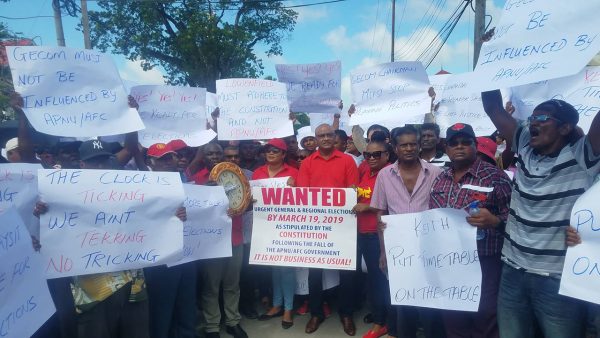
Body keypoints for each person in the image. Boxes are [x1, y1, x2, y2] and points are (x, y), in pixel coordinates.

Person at [482, 90, 600, 338]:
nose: (533, 122)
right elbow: (493, 107)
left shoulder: (583, 155)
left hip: (555, 278)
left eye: (544, 117)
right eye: (532, 117)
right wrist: (491, 63)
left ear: (566, 128)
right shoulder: (524, 145)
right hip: (512, 271)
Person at [429, 123, 512, 338]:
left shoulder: (496, 177)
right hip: (450, 262)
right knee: (453, 315)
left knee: (485, 317)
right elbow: (431, 219)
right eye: (454, 143)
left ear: (475, 145)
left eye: (466, 142)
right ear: (446, 148)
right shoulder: (440, 179)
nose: (460, 147)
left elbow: (515, 218)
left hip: (485, 261)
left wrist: (494, 220)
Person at [372, 126, 444, 338]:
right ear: (395, 147)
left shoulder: (436, 173)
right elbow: (380, 215)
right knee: (404, 306)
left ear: (420, 145)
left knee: (431, 306)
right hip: (399, 251)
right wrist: (384, 252)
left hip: (430, 250)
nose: (409, 148)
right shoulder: (385, 175)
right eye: (404, 145)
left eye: (413, 143)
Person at [297, 124, 359, 335]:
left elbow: (352, 191)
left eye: (328, 135)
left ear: (335, 138)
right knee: (314, 272)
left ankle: (346, 313)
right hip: (317, 226)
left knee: (347, 272)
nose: (324, 138)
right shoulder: (307, 163)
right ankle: (316, 313)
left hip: (343, 225)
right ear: (315, 139)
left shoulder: (347, 160)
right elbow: (304, 195)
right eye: (320, 135)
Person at [143, 142, 197, 338]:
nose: (167, 162)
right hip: (160, 258)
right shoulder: (142, 184)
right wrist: (168, 214)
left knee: (187, 303)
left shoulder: (184, 179)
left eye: (170, 157)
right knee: (162, 308)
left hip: (187, 253)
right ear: (150, 161)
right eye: (161, 158)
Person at [197, 142, 248, 338]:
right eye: (210, 154)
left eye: (218, 154)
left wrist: (248, 201)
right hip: (210, 241)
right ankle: (212, 326)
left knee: (232, 283)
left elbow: (243, 201)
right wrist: (206, 191)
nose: (215, 157)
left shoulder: (237, 176)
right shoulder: (197, 178)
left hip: (234, 236)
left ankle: (233, 321)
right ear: (204, 157)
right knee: (211, 285)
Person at [253, 138, 299, 329]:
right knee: (273, 267)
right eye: (268, 150)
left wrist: (294, 187)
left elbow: (303, 201)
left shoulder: (294, 173)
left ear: (283, 154)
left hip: (287, 226)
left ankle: (288, 308)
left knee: (286, 269)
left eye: (275, 150)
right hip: (265, 226)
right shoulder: (258, 173)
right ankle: (277, 304)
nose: (270, 153)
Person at [351, 132, 392, 338]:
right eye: (368, 155)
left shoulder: (391, 173)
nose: (372, 158)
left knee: (381, 281)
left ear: (387, 155)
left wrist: (368, 206)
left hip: (379, 235)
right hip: (362, 233)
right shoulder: (363, 170)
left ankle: (382, 323)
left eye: (377, 154)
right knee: (374, 281)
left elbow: (393, 203)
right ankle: (380, 317)